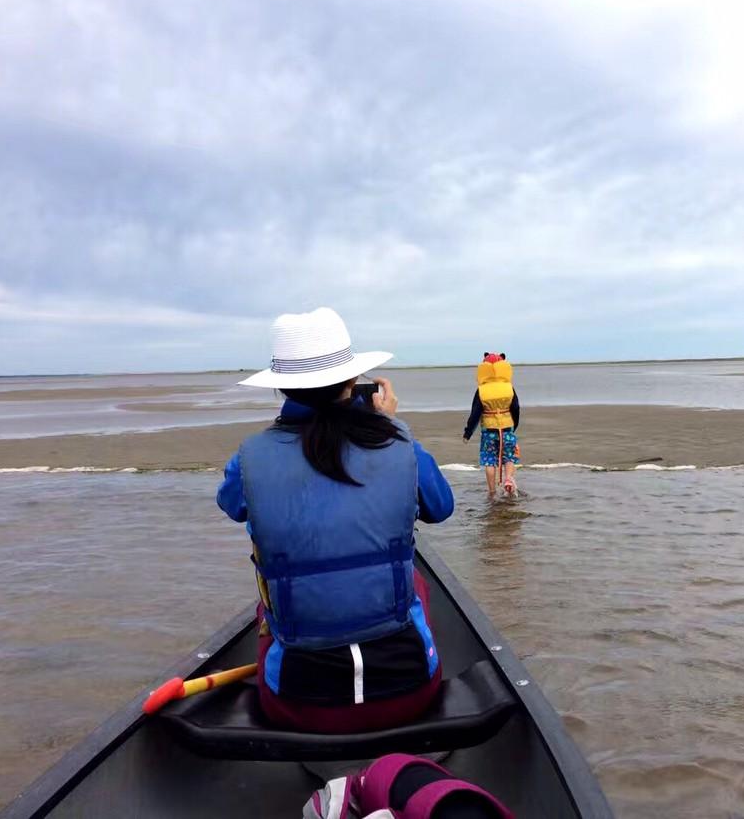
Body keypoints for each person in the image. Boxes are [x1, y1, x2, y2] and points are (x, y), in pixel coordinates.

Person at [216, 307, 454, 733]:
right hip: (411, 692)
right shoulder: (397, 441)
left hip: (296, 705)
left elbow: (232, 504)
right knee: (416, 582)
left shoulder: (250, 456)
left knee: (268, 602)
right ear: (352, 381)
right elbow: (440, 507)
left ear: (283, 388)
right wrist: (389, 423)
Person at [462, 352, 521, 497]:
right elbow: (516, 408)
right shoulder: (509, 388)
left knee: (489, 460)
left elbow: (475, 414)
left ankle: (492, 491)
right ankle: (508, 478)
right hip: (507, 428)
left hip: (489, 430)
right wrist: (514, 425)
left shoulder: (482, 390)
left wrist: (467, 433)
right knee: (509, 456)